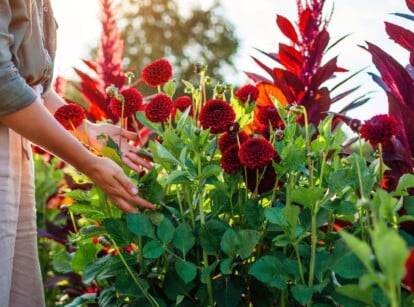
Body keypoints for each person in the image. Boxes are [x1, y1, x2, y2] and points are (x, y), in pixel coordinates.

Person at [0, 0, 155, 306]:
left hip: (15, 143)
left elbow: (29, 82)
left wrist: (85, 130)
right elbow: (3, 85)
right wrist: (89, 164)